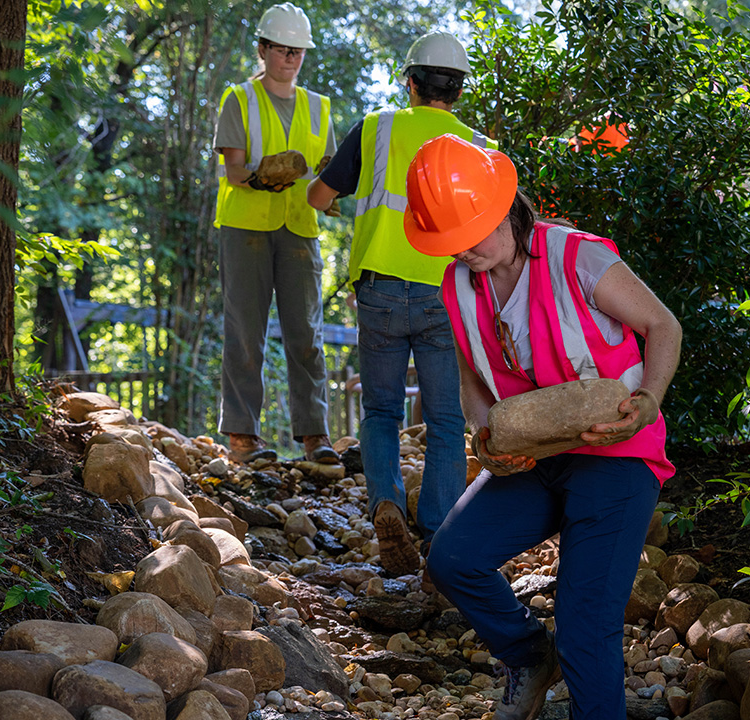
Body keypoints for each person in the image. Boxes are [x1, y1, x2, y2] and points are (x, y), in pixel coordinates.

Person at [403, 134, 681, 720]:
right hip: (537, 459)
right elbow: (472, 378)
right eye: (447, 243)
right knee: (453, 559)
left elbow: (663, 325)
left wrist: (651, 399)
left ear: (502, 210)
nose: (460, 253)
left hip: (619, 456)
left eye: (467, 236)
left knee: (585, 627)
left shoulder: (576, 257)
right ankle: (528, 654)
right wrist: (487, 439)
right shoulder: (457, 283)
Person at [306, 32, 493, 577]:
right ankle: (438, 533)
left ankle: (385, 503)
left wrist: (343, 205)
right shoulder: (476, 145)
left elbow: (319, 197)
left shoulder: (376, 128)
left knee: (381, 411)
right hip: (445, 293)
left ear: (409, 83)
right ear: (457, 90)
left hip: (380, 288)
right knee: (444, 418)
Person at [214, 2, 338, 465]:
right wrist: (259, 177)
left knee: (306, 332)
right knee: (245, 331)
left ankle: (315, 438)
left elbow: (327, 173)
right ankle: (243, 438)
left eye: (298, 50)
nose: (291, 57)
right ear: (263, 49)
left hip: (300, 228)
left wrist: (339, 196)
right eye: (283, 49)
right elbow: (233, 170)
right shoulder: (239, 99)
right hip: (245, 228)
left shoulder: (320, 107)